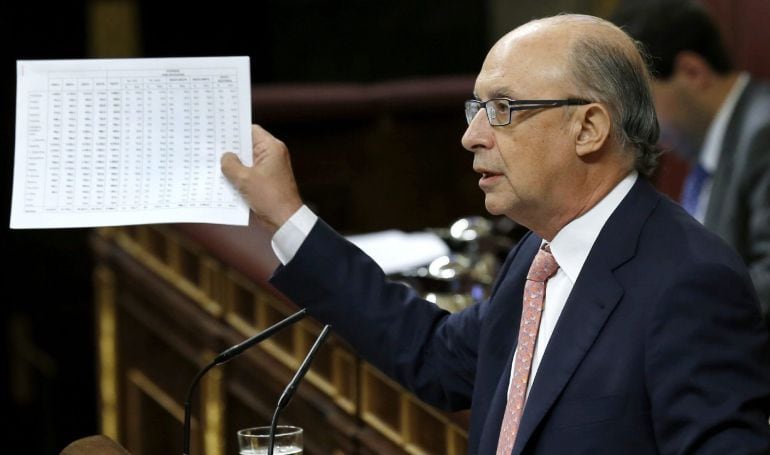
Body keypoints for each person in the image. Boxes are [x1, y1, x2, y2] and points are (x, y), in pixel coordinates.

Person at [221, 14, 770, 454]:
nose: (471, 136)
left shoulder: (690, 282)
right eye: (476, 107)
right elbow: (434, 356)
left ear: (588, 128)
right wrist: (285, 215)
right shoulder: (541, 251)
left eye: (502, 109)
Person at [614, 0, 770, 328]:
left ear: (692, 72)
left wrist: (661, 314)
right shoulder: (712, 150)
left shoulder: (763, 132)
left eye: (641, 101)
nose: (638, 124)